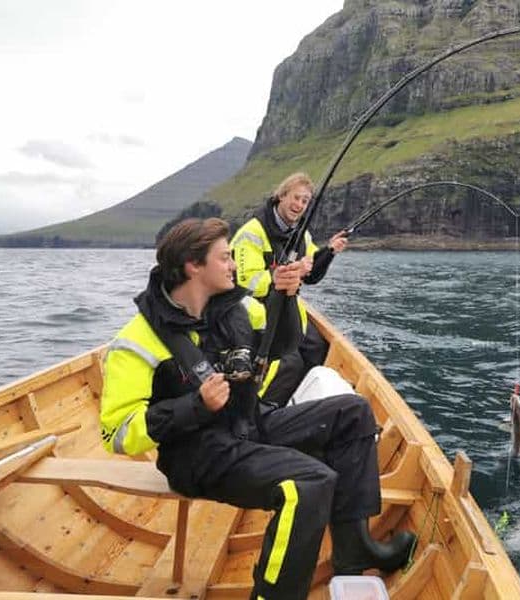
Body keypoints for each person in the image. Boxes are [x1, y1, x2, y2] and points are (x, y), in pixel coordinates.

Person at [100, 218, 414, 600]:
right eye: (224, 257)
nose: (233, 265)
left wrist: (285, 295)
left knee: (353, 412)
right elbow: (116, 433)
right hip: (198, 456)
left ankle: (354, 549)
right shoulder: (135, 342)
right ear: (192, 266)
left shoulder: (238, 308)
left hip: (249, 423)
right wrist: (194, 407)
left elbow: (283, 345)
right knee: (310, 483)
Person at [230, 173, 348, 402]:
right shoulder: (252, 232)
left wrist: (329, 251)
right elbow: (246, 284)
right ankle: (265, 408)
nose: (300, 205)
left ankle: (305, 405)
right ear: (281, 196)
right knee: (289, 363)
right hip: (252, 309)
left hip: (287, 306)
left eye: (305, 201)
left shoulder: (302, 235)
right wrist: (282, 275)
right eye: (296, 198)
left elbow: (311, 271)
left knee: (317, 347)